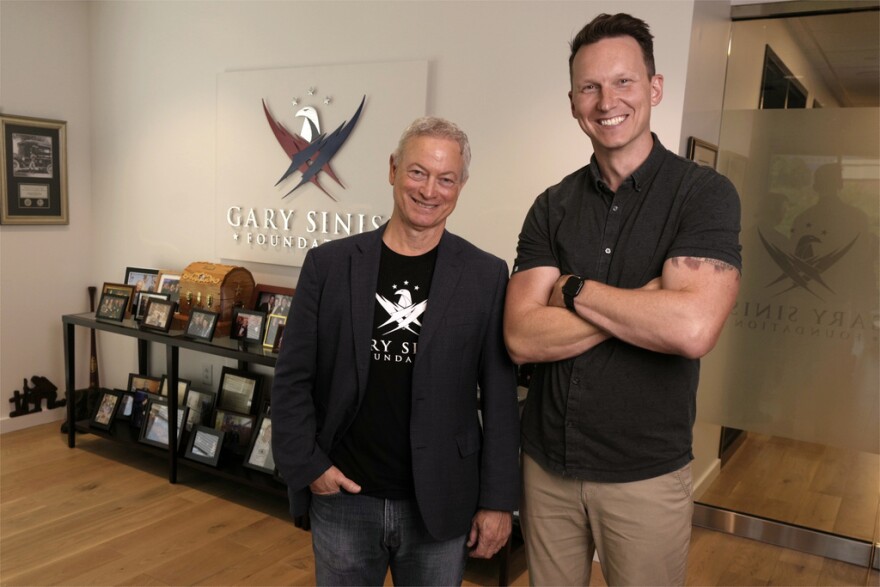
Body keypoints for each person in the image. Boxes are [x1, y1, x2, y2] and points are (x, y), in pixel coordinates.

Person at [503, 13, 742, 586]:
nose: (606, 101)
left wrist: (574, 291)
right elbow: (521, 336)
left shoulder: (703, 194)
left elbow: (691, 329)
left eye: (623, 81)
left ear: (654, 88)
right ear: (573, 102)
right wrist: (645, 302)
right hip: (546, 465)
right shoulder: (552, 205)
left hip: (644, 475)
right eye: (589, 86)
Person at [271, 116, 521, 586]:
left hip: (441, 501)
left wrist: (498, 501)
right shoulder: (329, 265)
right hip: (344, 497)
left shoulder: (485, 276)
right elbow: (292, 378)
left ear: (461, 186)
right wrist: (310, 466)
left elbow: (500, 400)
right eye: (418, 172)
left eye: (446, 179)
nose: (429, 190)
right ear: (393, 170)